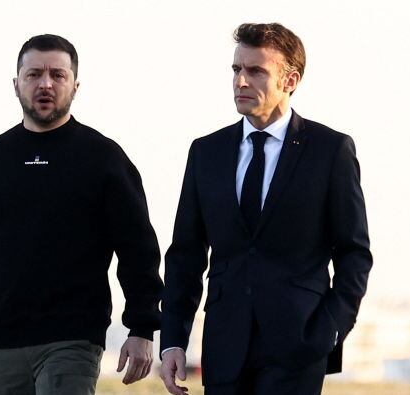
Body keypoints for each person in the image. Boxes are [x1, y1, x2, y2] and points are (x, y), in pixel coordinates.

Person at [0, 34, 163, 395]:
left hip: (71, 338)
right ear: (16, 84)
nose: (46, 84)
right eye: (34, 74)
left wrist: (141, 328)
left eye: (58, 75)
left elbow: (138, 250)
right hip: (0, 340)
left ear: (75, 85)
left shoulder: (102, 158)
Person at [159, 23, 372, 395]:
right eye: (236, 70)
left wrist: (330, 329)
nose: (241, 81)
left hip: (299, 346)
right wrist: (173, 339)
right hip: (225, 348)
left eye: (256, 71)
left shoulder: (329, 151)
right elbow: (185, 257)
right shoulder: (206, 152)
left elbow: (354, 253)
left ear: (290, 79)